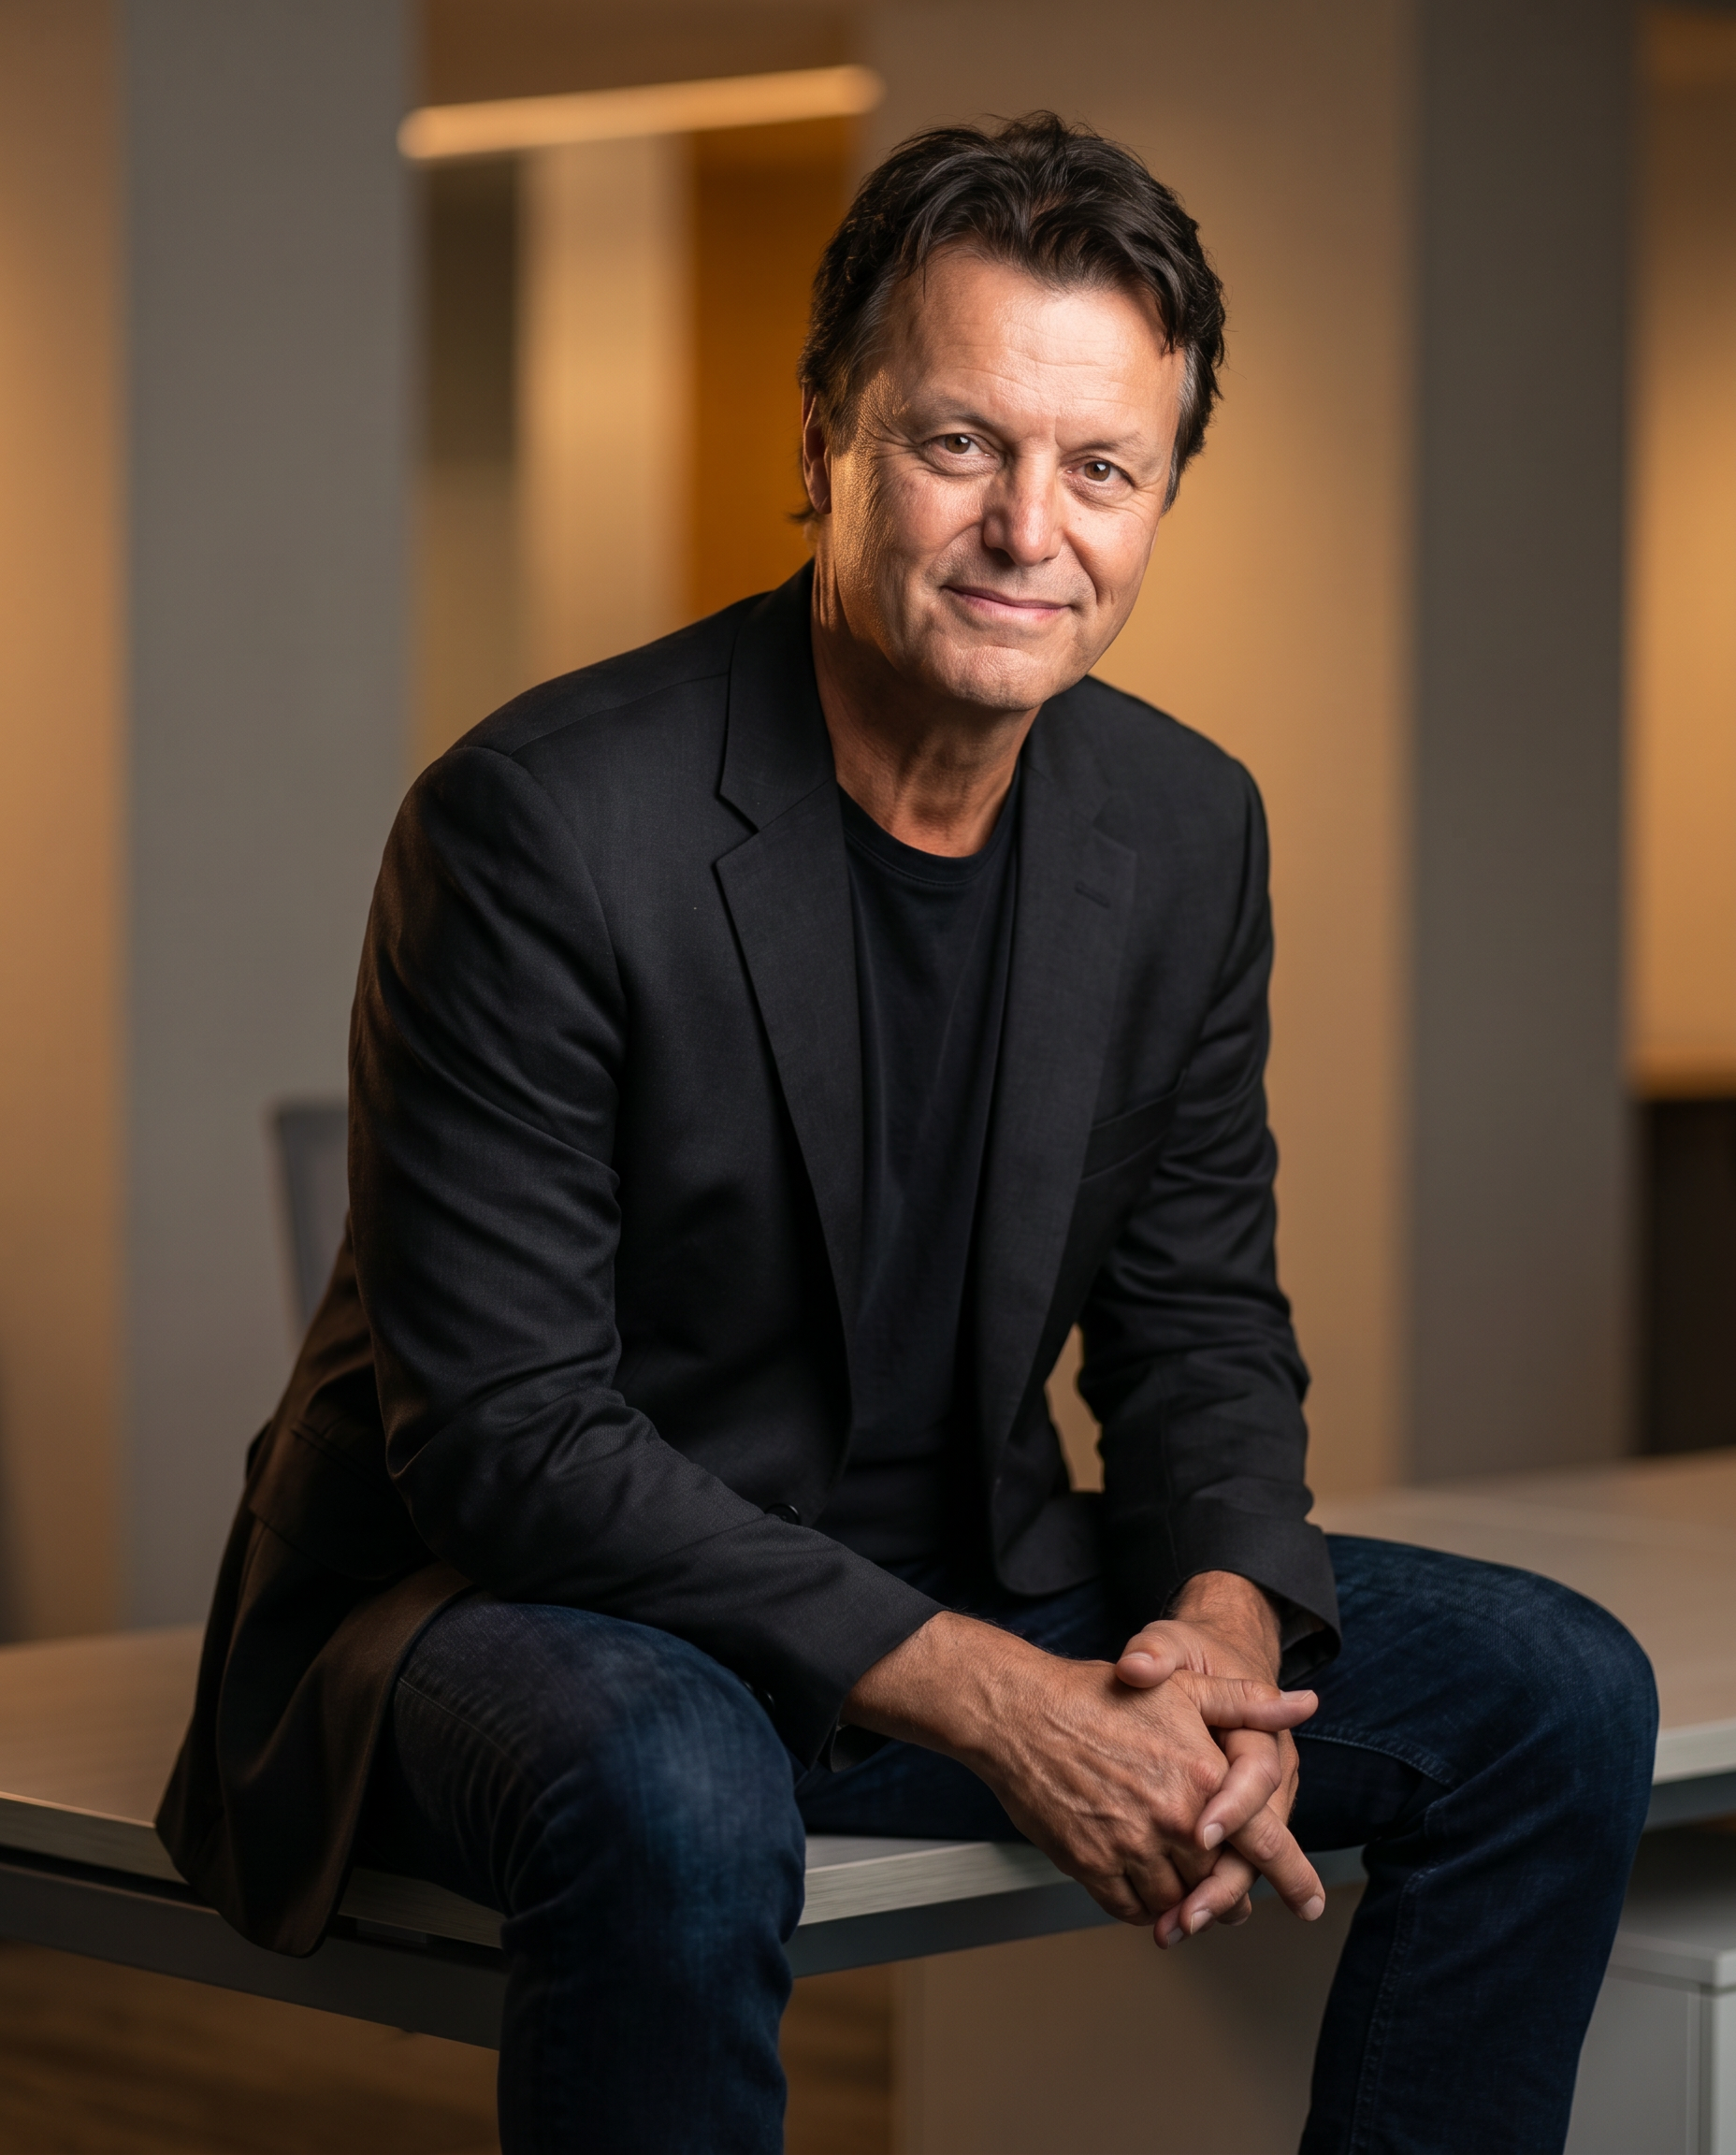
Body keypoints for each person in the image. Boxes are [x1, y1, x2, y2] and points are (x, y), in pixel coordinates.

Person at [160, 114, 1656, 2154]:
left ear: (1156, 500)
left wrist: (1213, 1638)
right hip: (511, 1609)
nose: (1028, 528)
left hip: (961, 1568)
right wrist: (996, 1699)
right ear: (824, 444)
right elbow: (507, 1438)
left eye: (1100, 469)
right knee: (675, 1785)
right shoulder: (541, 824)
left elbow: (1196, 1322)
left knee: (1550, 1696)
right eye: (960, 443)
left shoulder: (1185, 830)